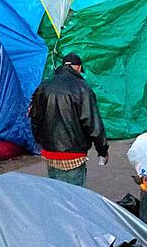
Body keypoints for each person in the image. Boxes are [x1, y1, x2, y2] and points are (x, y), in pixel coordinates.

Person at [30, 53, 107, 187]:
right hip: (74, 152)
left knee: (56, 193)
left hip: (50, 151)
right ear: (78, 68)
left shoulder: (44, 86)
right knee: (74, 197)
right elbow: (93, 124)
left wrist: (40, 141)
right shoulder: (82, 88)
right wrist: (102, 150)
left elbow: (35, 118)